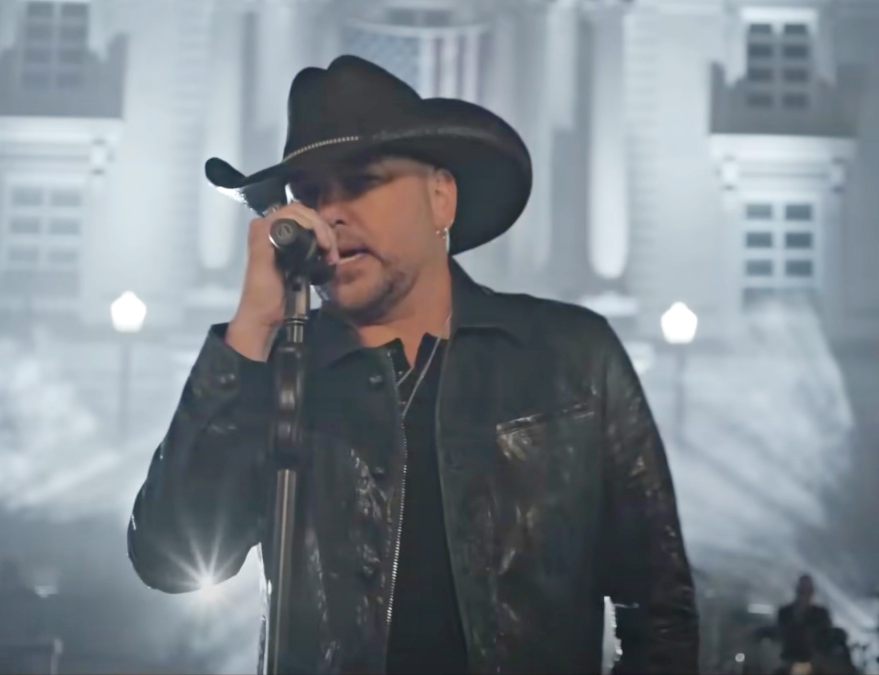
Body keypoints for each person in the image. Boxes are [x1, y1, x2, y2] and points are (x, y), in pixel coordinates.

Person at [127, 55, 698, 674]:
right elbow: (168, 556)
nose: (331, 212)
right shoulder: (283, 372)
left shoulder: (572, 358)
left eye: (361, 182)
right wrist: (251, 328)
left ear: (440, 198)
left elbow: (659, 611)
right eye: (310, 194)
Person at [776, 575, 835, 668]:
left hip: (816, 661)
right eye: (802, 591)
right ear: (797, 591)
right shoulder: (785, 612)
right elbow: (780, 633)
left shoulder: (821, 614)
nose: (804, 595)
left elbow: (827, 635)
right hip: (789, 660)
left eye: (808, 591)